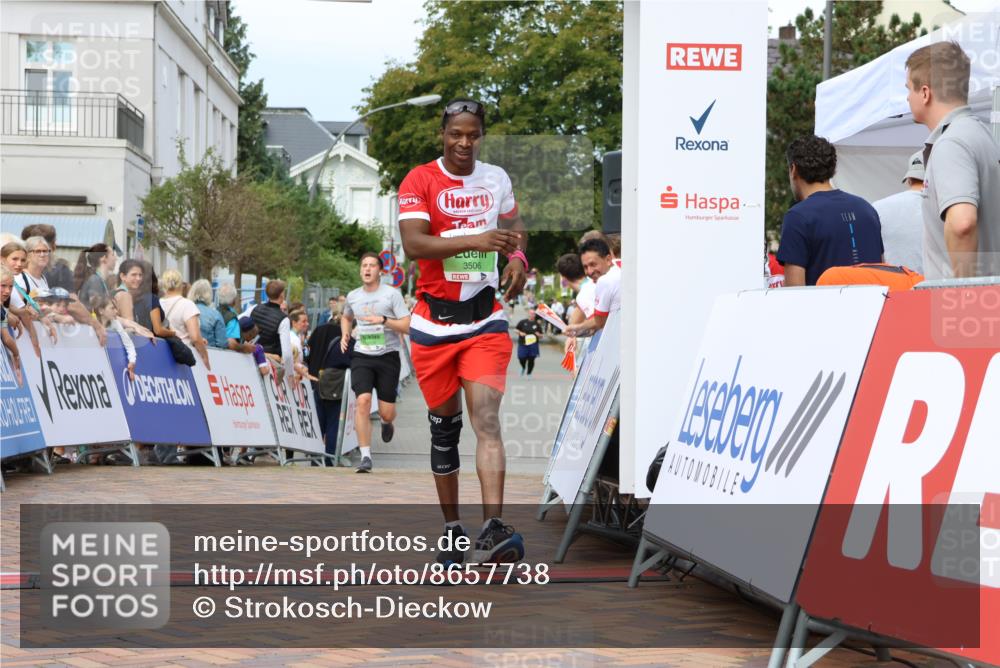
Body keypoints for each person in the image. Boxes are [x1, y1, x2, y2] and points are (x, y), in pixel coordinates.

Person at [397, 98, 528, 565]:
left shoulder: (496, 178)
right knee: (445, 432)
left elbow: (515, 227)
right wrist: (475, 239)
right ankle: (452, 530)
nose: (464, 143)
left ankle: (494, 528)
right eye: (456, 134)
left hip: (485, 320)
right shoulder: (420, 180)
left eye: (473, 135)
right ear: (443, 134)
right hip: (433, 324)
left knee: (487, 419)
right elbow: (414, 245)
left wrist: (517, 257)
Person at [905, 41, 1000, 279]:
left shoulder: (951, 144)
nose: (907, 98)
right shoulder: (983, 136)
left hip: (962, 306)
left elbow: (962, 224)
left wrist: (962, 295)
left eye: (909, 89)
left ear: (925, 93)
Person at [776, 135, 884, 286]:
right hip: (873, 307)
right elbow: (882, 268)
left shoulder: (798, 217)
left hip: (824, 309)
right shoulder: (866, 209)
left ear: (793, 169)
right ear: (832, 168)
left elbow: (794, 292)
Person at [340, 252, 411, 473]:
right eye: (364, 266)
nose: (367, 269)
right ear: (360, 270)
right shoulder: (353, 296)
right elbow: (346, 316)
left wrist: (384, 321)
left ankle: (387, 422)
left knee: (386, 412)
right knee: (362, 401)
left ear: (380, 271)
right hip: (362, 354)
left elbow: (408, 325)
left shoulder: (391, 295)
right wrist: (345, 334)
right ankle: (366, 456)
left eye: (372, 265)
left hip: (388, 356)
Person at [308, 303, 352, 460]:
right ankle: (329, 458)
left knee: (318, 424)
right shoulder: (345, 338)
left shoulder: (319, 330)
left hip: (317, 380)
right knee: (333, 423)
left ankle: (314, 458)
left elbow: (309, 350)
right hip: (336, 386)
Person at [871, 151, 926, 274]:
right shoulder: (944, 208)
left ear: (909, 180)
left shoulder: (877, 207)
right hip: (934, 285)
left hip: (894, 285)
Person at [564, 238, 621, 337]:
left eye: (593, 264)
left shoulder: (605, 281)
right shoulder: (623, 267)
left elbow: (599, 322)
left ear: (608, 260)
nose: (589, 272)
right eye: (585, 267)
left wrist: (578, 327)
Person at [159, 269, 210, 369]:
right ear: (181, 284)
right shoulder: (187, 305)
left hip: (162, 353)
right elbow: (195, 337)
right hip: (184, 356)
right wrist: (205, 356)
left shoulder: (157, 303)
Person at [250, 279, 294, 379]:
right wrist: (290, 374)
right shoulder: (284, 319)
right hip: (269, 366)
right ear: (282, 295)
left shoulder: (255, 308)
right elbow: (287, 354)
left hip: (251, 357)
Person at [20, 223, 73, 292]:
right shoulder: (21, 279)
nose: (42, 255)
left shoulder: (42, 278)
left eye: (45, 251)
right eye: (38, 251)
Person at [0, 266, 24, 387]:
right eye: (3, 286)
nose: (7, 291)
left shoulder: (2, 311)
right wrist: (16, 354)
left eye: (10, 287)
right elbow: (7, 339)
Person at [73, 243, 116, 309]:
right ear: (104, 258)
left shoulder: (99, 280)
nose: (115, 258)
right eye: (113, 255)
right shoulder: (95, 280)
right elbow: (98, 311)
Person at [188, 279, 227, 349]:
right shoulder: (216, 315)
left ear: (192, 292)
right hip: (210, 355)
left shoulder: (185, 310)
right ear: (209, 294)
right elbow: (222, 344)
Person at [514, 309, 542, 376]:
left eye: (534, 314)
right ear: (528, 314)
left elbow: (541, 335)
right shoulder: (523, 322)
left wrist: (539, 335)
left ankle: (529, 373)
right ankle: (523, 367)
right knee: (521, 357)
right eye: (531, 313)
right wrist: (520, 333)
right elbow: (515, 329)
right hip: (523, 343)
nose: (532, 315)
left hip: (533, 344)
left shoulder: (537, 324)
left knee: (531, 359)